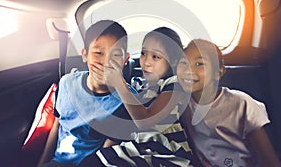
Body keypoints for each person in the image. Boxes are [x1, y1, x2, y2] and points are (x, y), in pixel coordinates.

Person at [84, 27, 202, 167]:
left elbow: (146, 120)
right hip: (140, 147)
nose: (146, 62)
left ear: (174, 61)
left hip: (165, 151)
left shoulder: (175, 84)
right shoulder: (140, 85)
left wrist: (119, 83)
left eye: (156, 57)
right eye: (143, 53)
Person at [38, 20, 137, 167]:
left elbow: (108, 152)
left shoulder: (127, 102)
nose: (106, 62)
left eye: (115, 55)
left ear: (125, 60)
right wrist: (41, 162)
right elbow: (58, 124)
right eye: (98, 53)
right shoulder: (66, 84)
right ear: (85, 55)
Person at [176, 39, 281, 167]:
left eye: (199, 64)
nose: (188, 70)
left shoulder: (242, 104)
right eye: (183, 63)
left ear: (218, 73)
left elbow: (270, 162)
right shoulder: (181, 103)